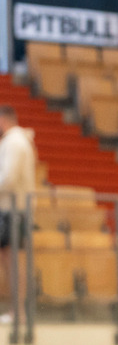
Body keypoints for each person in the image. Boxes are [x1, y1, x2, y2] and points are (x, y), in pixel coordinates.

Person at [0, 105, 36, 322]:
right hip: (9, 208)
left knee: (12, 261)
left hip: (13, 210)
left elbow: (8, 178)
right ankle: (16, 311)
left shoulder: (15, 142)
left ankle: (18, 312)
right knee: (9, 260)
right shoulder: (13, 141)